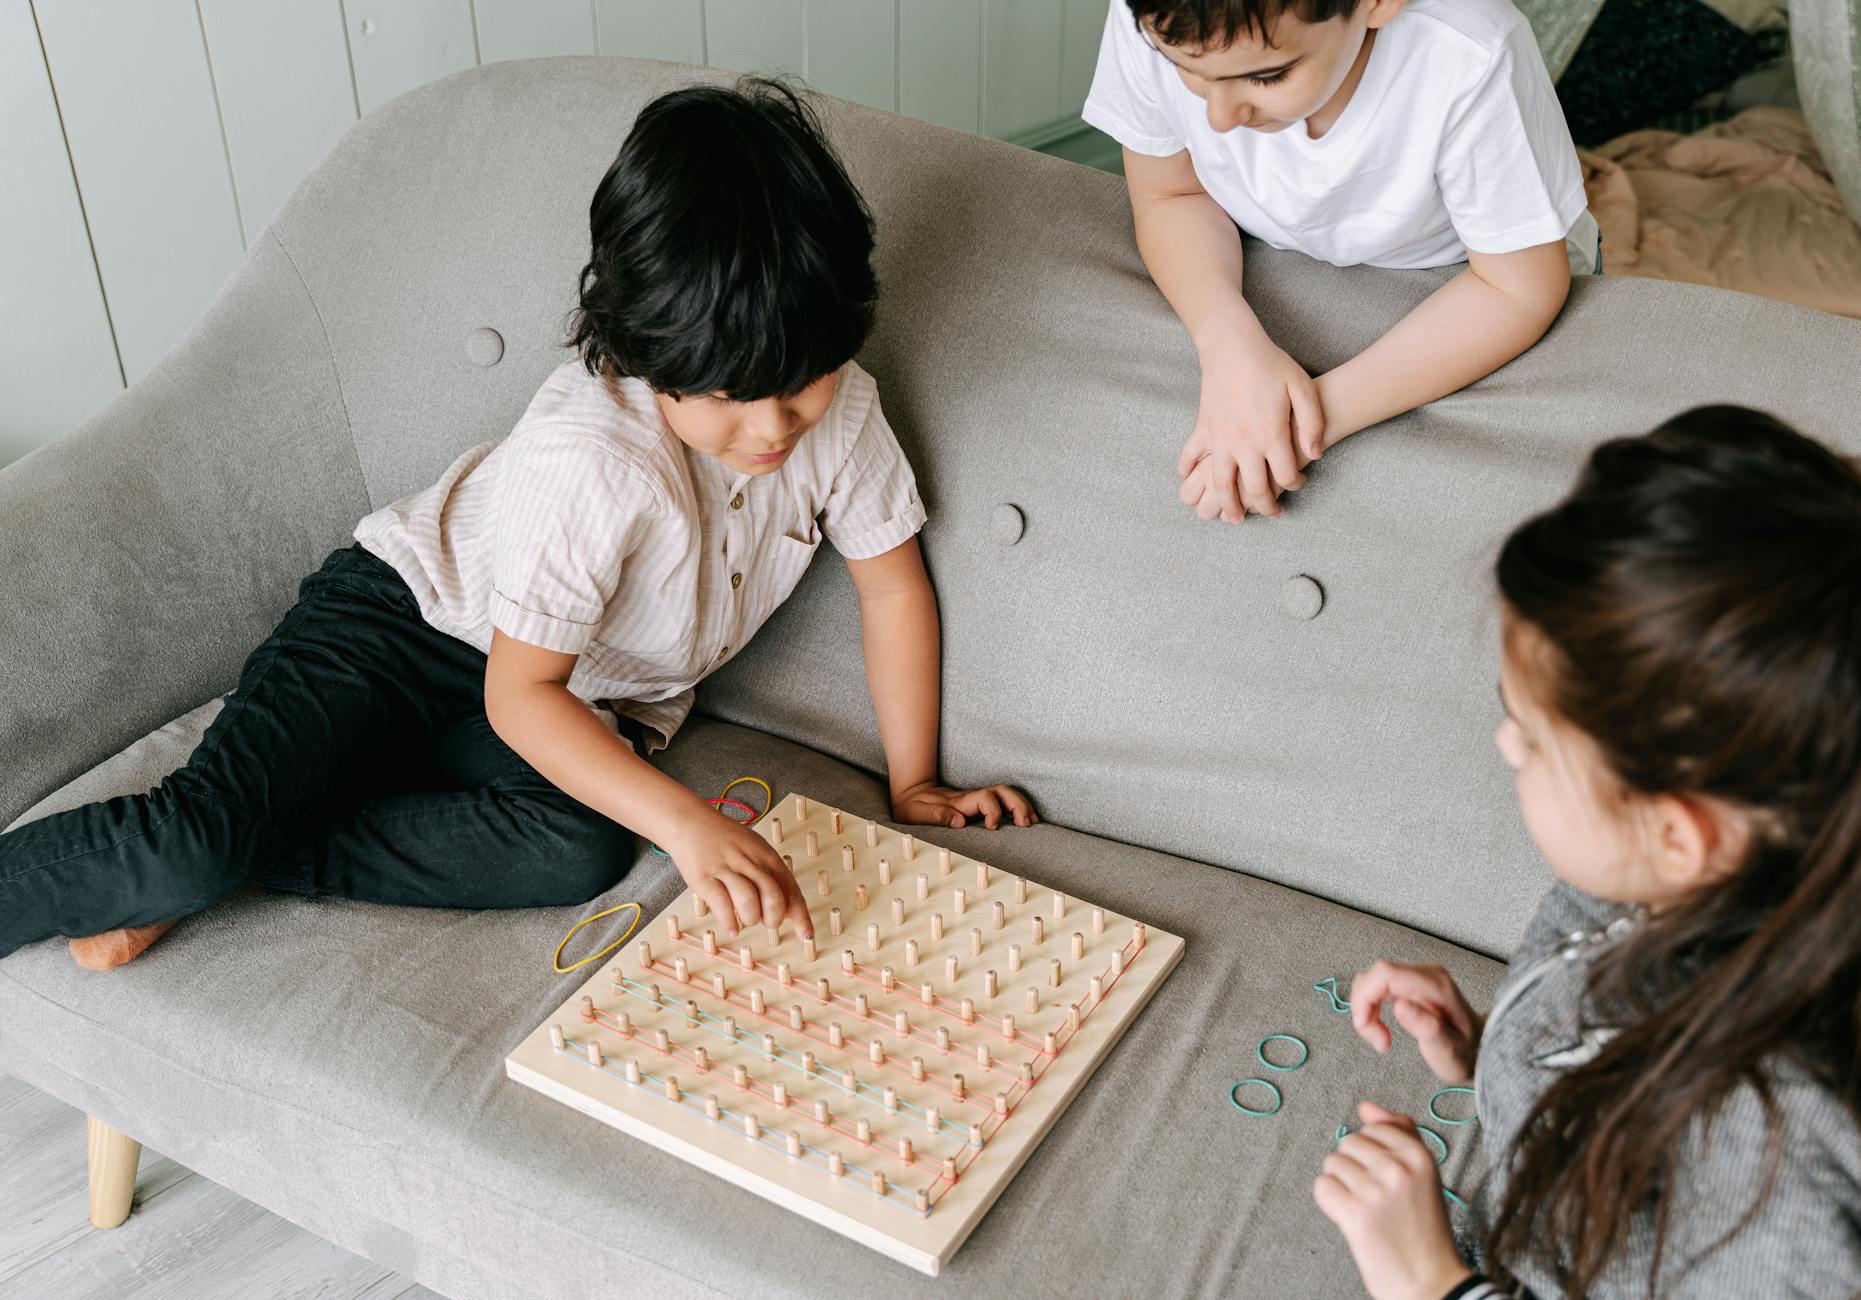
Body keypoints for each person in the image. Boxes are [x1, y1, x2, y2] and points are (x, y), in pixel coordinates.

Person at [0, 78, 1034, 971]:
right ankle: (198, 863)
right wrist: (685, 827)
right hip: (405, 630)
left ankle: (252, 853)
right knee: (191, 839)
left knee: (572, 850)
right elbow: (518, 690)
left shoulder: (840, 413)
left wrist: (915, 782)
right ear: (641, 351)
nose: (772, 428)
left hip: (574, 696)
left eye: (800, 385)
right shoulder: (592, 457)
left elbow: (890, 584)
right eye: (727, 396)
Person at [1316, 407, 1861, 1296]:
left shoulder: (1769, 1173)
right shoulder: (1675, 877)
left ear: (1679, 833)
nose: (1503, 747)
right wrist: (1498, 1050)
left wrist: (1428, 1281)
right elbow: (1616, 1054)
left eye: (1531, 740)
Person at [1084, 0, 1597, 524]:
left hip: (1468, 275)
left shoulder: (1469, 53)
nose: (1217, 118)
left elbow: (1516, 288)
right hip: (1275, 247)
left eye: (1267, 76)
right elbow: (1171, 195)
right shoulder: (1158, 13)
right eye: (1184, 69)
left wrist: (1296, 423)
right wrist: (1227, 346)